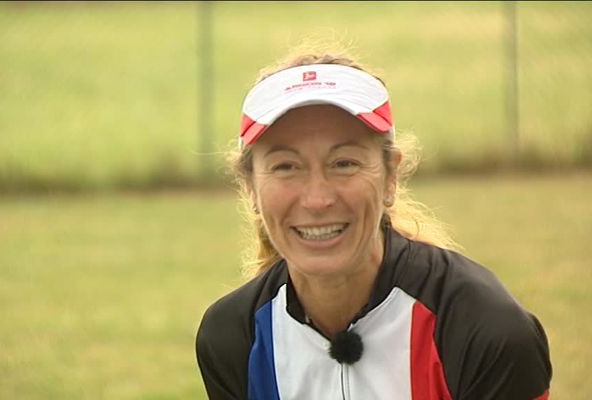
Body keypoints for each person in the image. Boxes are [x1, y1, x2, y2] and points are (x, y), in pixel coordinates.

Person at [195, 51, 552, 400]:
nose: (317, 199)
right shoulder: (233, 338)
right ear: (250, 188)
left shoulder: (482, 330)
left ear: (390, 176)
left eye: (344, 163)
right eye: (286, 166)